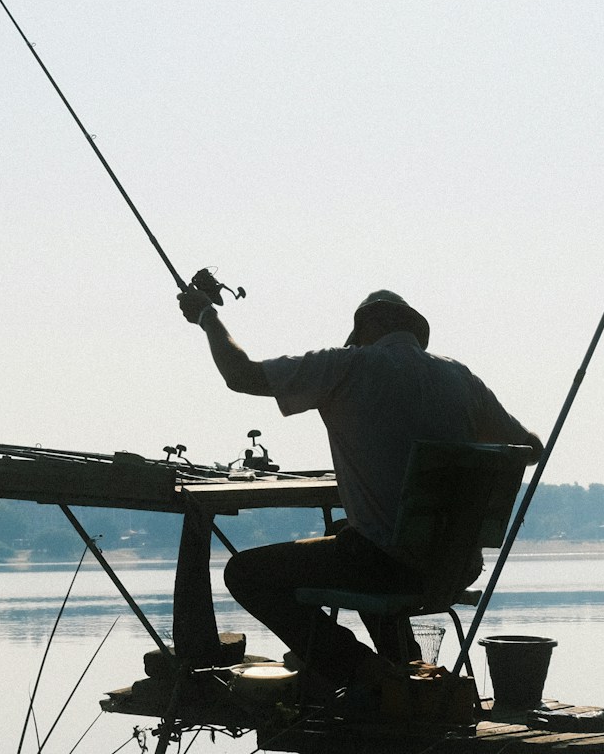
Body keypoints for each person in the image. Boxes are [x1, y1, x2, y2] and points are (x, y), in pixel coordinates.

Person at [177, 286, 540, 695]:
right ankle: (401, 664)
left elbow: (240, 374)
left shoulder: (348, 366)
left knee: (246, 573)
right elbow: (531, 449)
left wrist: (207, 316)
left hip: (386, 570)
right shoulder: (460, 376)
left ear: (371, 324)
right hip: (454, 570)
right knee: (351, 533)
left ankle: (360, 671)